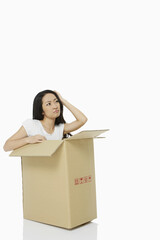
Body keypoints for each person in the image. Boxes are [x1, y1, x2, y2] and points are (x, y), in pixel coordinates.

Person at [3, 90, 88, 152]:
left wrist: (63, 101)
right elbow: (6, 146)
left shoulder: (60, 128)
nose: (55, 106)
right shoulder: (31, 125)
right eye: (49, 104)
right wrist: (28, 140)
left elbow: (82, 120)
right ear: (42, 110)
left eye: (56, 102)